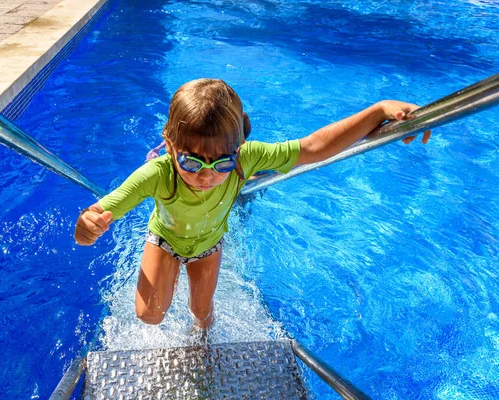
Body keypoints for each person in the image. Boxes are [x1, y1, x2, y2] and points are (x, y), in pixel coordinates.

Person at [74, 78, 430, 330]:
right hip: (165, 240)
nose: (207, 176)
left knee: (201, 313)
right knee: (149, 315)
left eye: (222, 164)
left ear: (238, 150)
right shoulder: (157, 174)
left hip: (208, 244)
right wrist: (87, 227)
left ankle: (200, 342)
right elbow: (96, 213)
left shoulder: (248, 158)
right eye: (192, 162)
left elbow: (314, 148)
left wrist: (379, 110)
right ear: (169, 146)